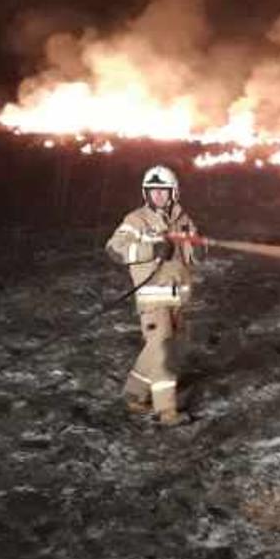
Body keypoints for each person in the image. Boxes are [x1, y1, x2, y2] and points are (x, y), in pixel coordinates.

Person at [104, 164, 206, 425]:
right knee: (163, 351)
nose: (159, 195)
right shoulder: (136, 220)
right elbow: (115, 249)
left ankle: (133, 394)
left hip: (177, 297)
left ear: (174, 192)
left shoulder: (182, 218)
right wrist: (150, 250)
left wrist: (197, 250)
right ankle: (167, 412)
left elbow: (190, 250)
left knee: (166, 347)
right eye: (154, 191)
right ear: (145, 193)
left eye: (163, 191)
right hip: (153, 297)